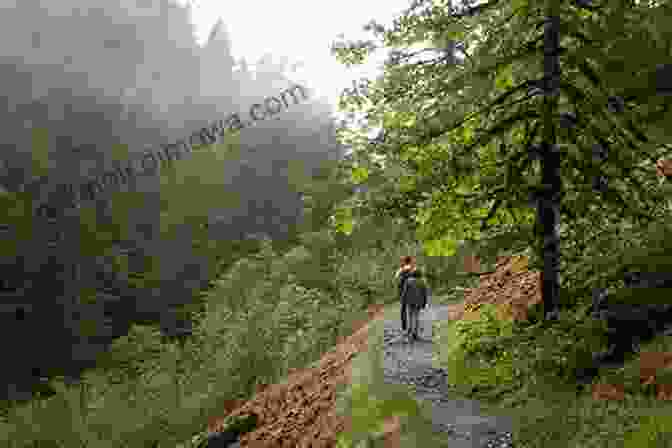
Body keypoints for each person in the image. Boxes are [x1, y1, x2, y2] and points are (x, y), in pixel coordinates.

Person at [401, 268, 429, 341]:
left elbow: (404, 292)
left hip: (410, 302)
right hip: (418, 302)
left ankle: (410, 331)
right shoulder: (422, 282)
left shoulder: (408, 281)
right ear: (420, 274)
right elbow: (425, 293)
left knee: (410, 317)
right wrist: (425, 302)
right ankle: (415, 334)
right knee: (416, 317)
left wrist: (403, 300)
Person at [395, 256, 415, 332]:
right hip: (412, 292)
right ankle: (411, 326)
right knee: (411, 309)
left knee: (403, 309)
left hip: (402, 292)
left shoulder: (401, 270)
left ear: (404, 261)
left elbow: (396, 278)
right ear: (410, 261)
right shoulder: (413, 269)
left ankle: (404, 326)